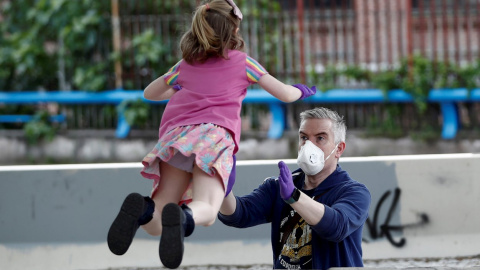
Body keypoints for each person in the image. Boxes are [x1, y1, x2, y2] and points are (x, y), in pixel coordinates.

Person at [107, 0, 317, 269]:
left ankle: (144, 209)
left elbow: (149, 93)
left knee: (157, 221)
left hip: (178, 139)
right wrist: (302, 90)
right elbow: (285, 94)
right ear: (232, 32)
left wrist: (176, 89)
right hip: (213, 138)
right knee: (206, 209)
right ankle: (184, 217)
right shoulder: (244, 63)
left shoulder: (185, 65)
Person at [218, 107, 371, 270]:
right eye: (304, 138)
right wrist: (222, 188)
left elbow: (336, 227)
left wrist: (294, 196)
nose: (308, 146)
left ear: (339, 149)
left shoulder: (355, 192)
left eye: (320, 138)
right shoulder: (279, 187)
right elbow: (238, 215)